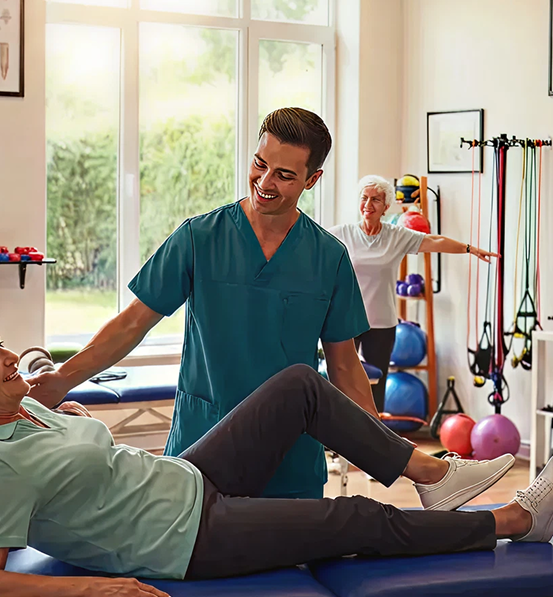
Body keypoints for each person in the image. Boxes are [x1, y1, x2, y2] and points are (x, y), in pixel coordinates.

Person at [0, 307, 553, 596]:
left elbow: (65, 466)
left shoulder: (23, 407)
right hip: (185, 537)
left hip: (183, 477)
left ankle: (430, 472)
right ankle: (513, 520)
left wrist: (68, 415)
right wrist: (101, 587)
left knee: (297, 386)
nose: (8, 355)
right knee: (354, 518)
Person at [28, 108, 383, 500]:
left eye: (284, 175)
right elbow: (132, 324)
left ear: (312, 179)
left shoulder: (328, 258)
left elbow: (345, 366)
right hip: (201, 449)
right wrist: (63, 379)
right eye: (260, 164)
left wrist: (389, 453)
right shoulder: (199, 238)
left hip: (289, 460)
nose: (265, 182)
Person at [328, 175, 498, 412]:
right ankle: (338, 431)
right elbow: (312, 244)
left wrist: (469, 249)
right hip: (348, 321)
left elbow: (435, 241)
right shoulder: (342, 233)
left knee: (376, 386)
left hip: (382, 323)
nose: (368, 204)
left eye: (375, 199)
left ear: (386, 206)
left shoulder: (396, 236)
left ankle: (373, 433)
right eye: (364, 198)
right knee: (341, 384)